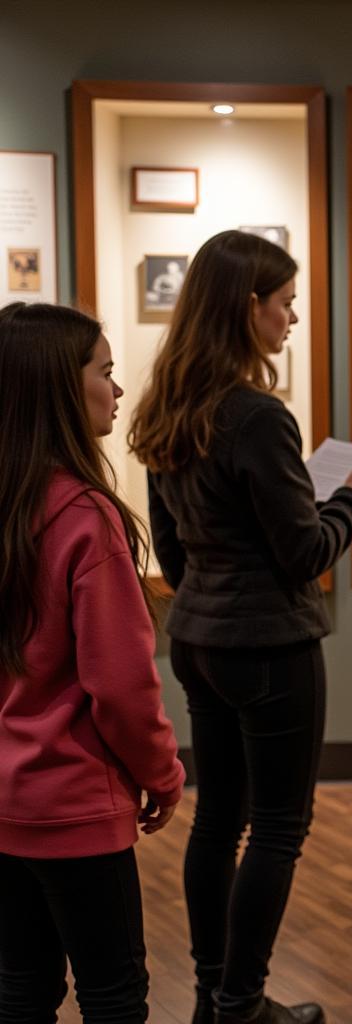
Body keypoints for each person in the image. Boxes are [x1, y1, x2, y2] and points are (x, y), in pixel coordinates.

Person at [128, 230, 352, 1024]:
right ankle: (241, 1004)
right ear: (248, 309)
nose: (293, 318)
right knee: (278, 828)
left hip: (202, 643)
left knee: (218, 818)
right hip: (270, 645)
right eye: (284, 303)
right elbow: (303, 551)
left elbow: (172, 552)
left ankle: (214, 993)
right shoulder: (256, 416)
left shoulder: (168, 409)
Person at [0, 301, 185, 1022]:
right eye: (105, 372)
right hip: (76, 805)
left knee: (20, 989)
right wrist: (163, 772)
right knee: (113, 994)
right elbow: (122, 686)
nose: (116, 388)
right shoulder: (83, 516)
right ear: (59, 391)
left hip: (6, 805)